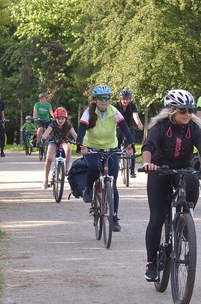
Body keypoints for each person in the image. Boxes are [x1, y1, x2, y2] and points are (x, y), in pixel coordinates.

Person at [140, 89, 201, 282]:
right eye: (183, 110)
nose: (188, 114)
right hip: (159, 171)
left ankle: (186, 216)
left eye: (190, 110)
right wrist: (147, 164)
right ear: (172, 111)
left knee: (193, 178)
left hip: (183, 169)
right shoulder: (160, 127)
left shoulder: (193, 128)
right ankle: (151, 262)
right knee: (157, 217)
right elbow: (148, 146)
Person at [76, 85, 135, 232]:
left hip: (111, 148)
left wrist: (131, 144)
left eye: (107, 97)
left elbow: (125, 128)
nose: (104, 101)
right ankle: (88, 189)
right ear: (95, 100)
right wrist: (80, 145)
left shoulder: (113, 111)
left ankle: (114, 218)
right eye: (101, 98)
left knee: (113, 184)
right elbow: (82, 129)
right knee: (94, 166)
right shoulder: (88, 112)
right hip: (93, 147)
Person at [39, 107, 78, 188]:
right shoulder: (53, 124)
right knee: (49, 158)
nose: (60, 121)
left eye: (62, 119)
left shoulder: (68, 124)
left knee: (68, 148)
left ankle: (67, 169)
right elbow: (46, 133)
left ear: (66, 119)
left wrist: (80, 142)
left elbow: (75, 135)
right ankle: (45, 179)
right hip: (53, 141)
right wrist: (44, 137)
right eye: (58, 119)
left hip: (63, 141)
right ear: (55, 119)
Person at [115, 89, 144, 177]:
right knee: (116, 147)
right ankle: (116, 165)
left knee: (132, 147)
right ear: (120, 99)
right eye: (123, 99)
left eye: (127, 99)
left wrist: (139, 124)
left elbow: (135, 116)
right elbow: (112, 116)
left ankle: (132, 171)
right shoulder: (116, 106)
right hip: (119, 126)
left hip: (129, 126)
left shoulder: (132, 106)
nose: (125, 100)